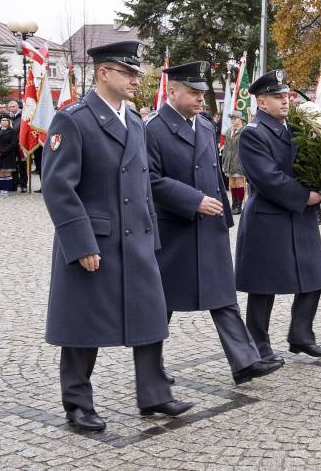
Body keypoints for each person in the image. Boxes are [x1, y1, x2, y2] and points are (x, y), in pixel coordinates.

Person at [41, 41, 194, 432]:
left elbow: (142, 186)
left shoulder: (136, 122)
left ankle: (154, 393)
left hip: (136, 238)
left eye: (136, 73)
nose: (135, 80)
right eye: (127, 72)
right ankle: (77, 404)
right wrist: (80, 243)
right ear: (103, 73)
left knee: (150, 317)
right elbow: (58, 187)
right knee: (82, 324)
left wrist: (151, 235)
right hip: (96, 240)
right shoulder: (74, 120)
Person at [146, 61, 282, 386]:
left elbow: (214, 173)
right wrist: (192, 200)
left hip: (209, 226)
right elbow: (148, 179)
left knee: (223, 296)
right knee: (162, 303)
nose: (200, 98)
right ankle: (151, 370)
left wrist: (223, 218)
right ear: (172, 91)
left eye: (202, 92)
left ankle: (244, 361)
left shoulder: (205, 126)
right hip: (174, 228)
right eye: (193, 92)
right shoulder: (152, 129)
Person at [236, 69, 321, 360]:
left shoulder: (296, 128)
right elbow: (269, 178)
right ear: (261, 102)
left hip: (299, 215)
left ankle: (301, 335)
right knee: (264, 286)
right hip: (269, 218)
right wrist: (306, 196)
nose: (285, 100)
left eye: (286, 95)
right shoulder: (253, 133)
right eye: (277, 97)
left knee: (313, 276)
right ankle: (259, 346)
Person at [221, 111, 247, 215]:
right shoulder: (229, 131)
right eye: (231, 119)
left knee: (239, 183)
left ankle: (239, 206)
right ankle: (234, 205)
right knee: (232, 184)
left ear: (241, 120)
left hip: (239, 161)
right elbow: (226, 148)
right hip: (229, 161)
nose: (232, 120)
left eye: (235, 118)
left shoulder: (244, 131)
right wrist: (224, 161)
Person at [0, 115, 18, 196]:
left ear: (9, 122)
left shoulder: (12, 131)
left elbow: (13, 144)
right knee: (0, 173)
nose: (4, 122)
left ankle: (7, 190)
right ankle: (3, 189)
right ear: (0, 122)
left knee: (7, 173)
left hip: (8, 155)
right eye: (2, 120)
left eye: (6, 120)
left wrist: (1, 152)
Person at [8, 100, 28, 193]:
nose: (12, 108)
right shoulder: (7, 117)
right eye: (10, 107)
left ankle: (24, 185)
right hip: (10, 145)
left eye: (13, 106)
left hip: (21, 145)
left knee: (22, 166)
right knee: (12, 166)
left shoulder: (24, 116)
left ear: (18, 107)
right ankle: (14, 184)